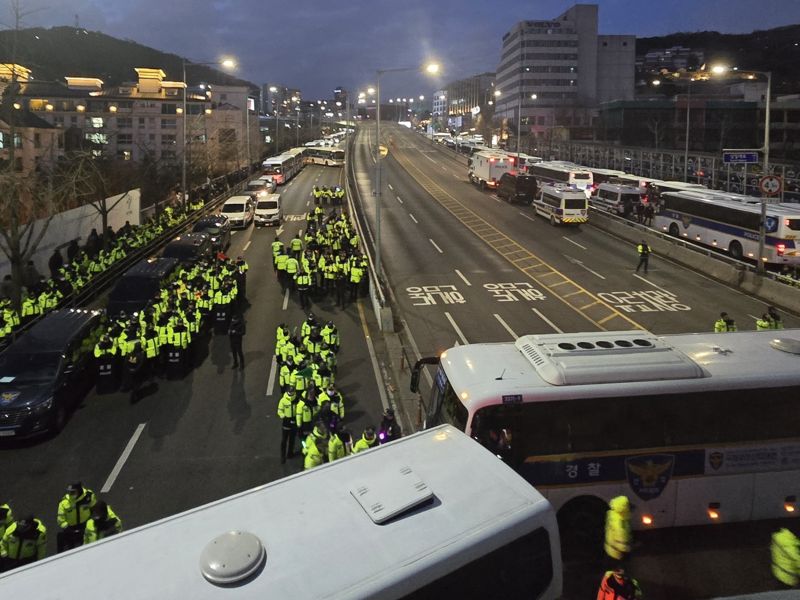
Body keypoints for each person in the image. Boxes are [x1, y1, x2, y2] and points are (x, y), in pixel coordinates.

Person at [57, 482, 97, 552]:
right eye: (69, 492)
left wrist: (91, 523)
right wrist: (67, 528)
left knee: (90, 548)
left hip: (85, 526)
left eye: (73, 492)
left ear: (79, 490)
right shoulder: (64, 502)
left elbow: (94, 509)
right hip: (70, 529)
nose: (70, 494)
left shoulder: (89, 496)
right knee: (70, 551)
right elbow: (60, 519)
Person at [604, 495, 632, 561]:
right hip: (616, 553)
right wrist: (627, 549)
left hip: (609, 548)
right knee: (617, 569)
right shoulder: (620, 521)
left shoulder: (612, 513)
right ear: (623, 507)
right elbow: (622, 538)